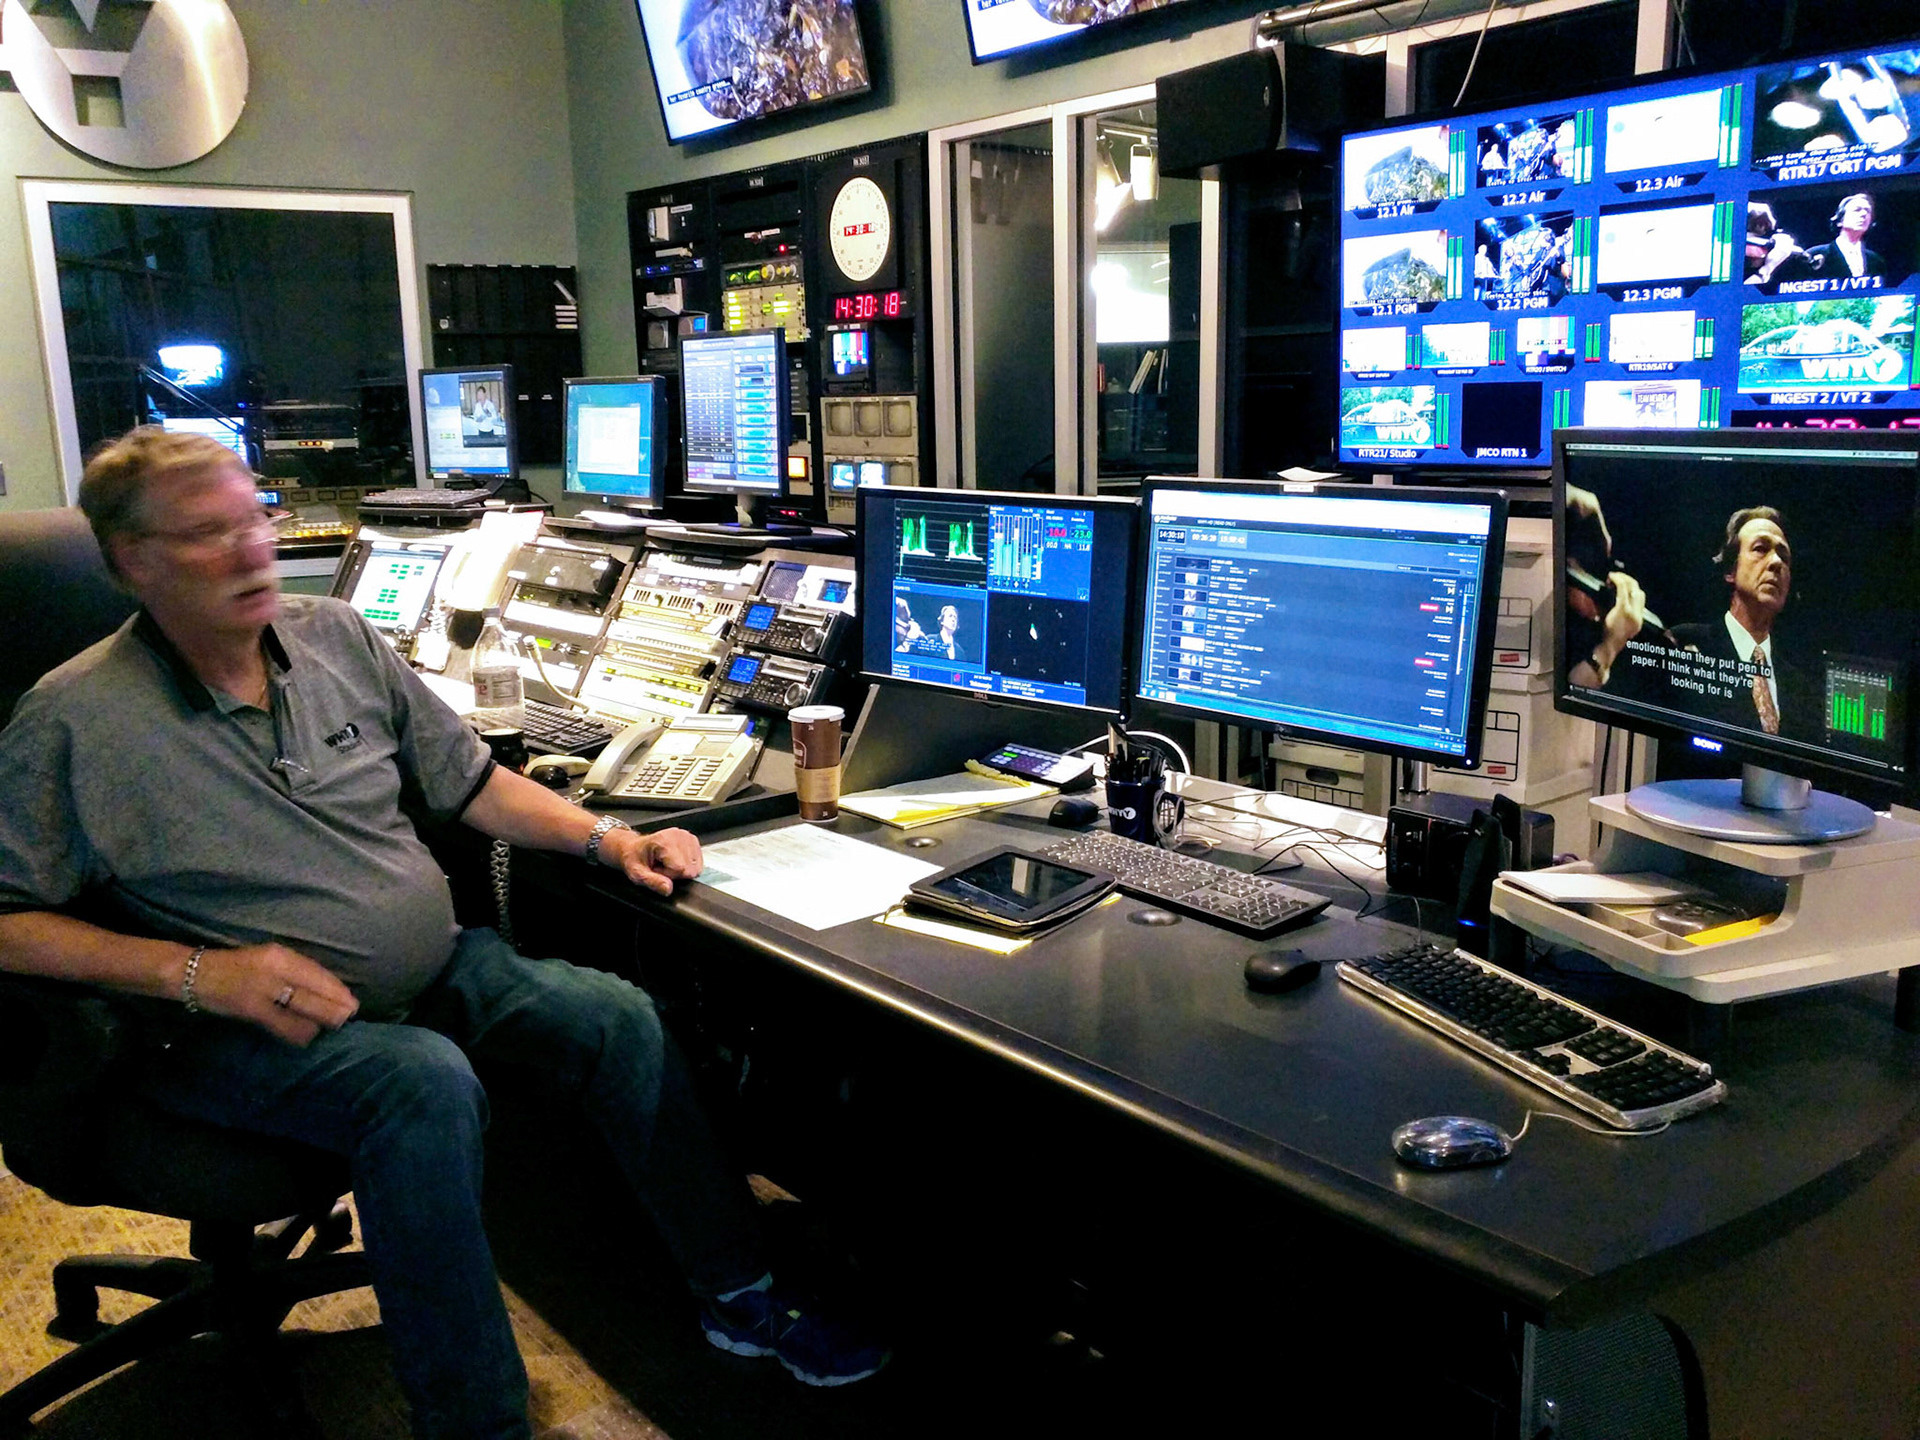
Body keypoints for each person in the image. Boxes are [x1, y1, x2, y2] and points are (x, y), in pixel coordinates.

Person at [0, 430, 886, 1440]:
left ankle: (742, 1293)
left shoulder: (335, 636)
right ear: (130, 563)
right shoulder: (72, 722)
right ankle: (476, 1424)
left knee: (615, 1017)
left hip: (432, 971)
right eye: (208, 533)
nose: (251, 549)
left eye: (257, 518)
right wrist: (200, 972)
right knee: (419, 1082)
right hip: (223, 1031)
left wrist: (606, 839)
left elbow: (471, 783)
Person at [1670, 506, 1811, 738]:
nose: (1776, 562)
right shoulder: (1684, 643)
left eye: (1784, 556)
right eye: (1760, 549)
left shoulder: (1801, 686)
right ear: (1730, 570)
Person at [1805, 192, 1887, 279]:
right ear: (1840, 221)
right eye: (1857, 210)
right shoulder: (1815, 253)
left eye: (1867, 210)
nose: (1864, 214)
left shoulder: (1876, 261)